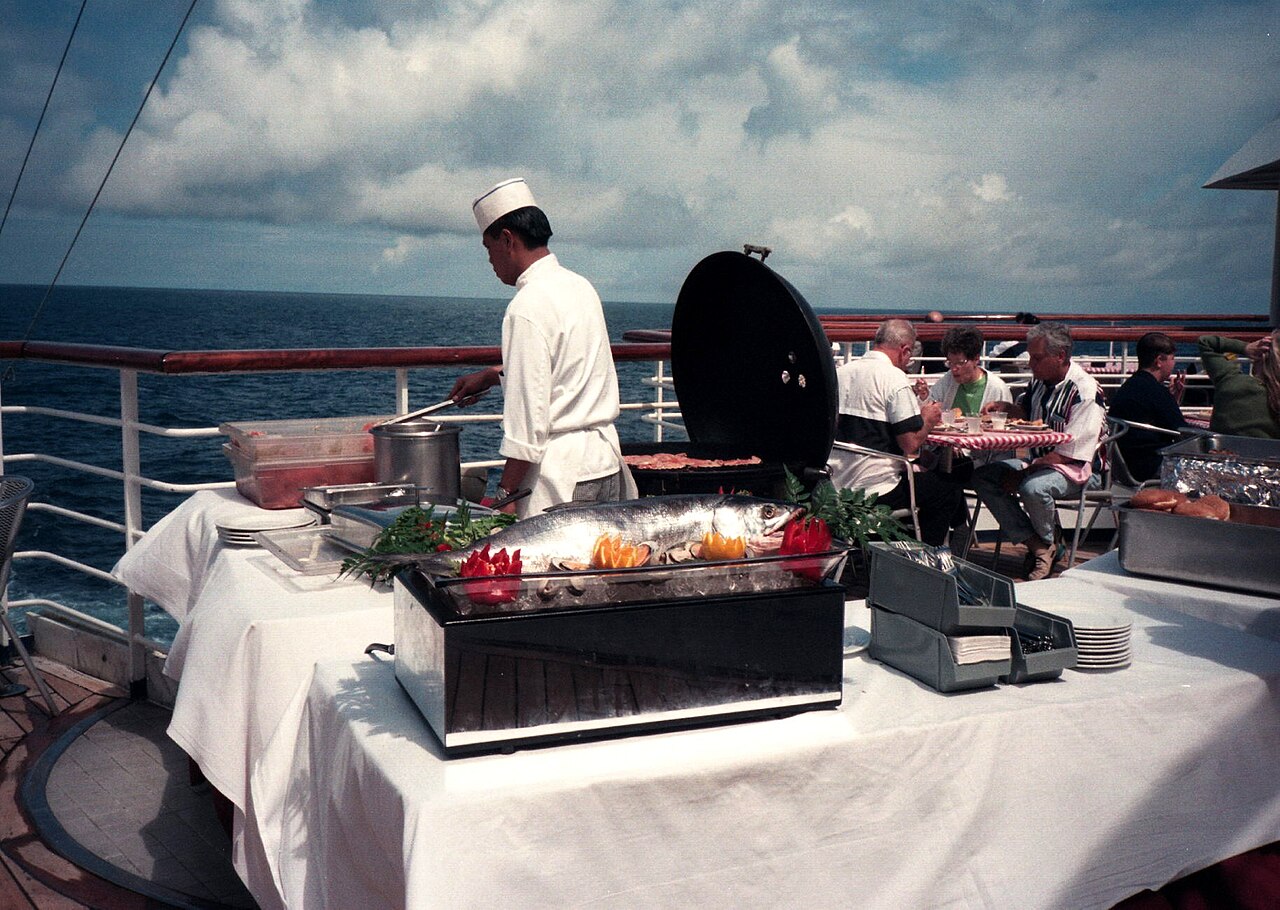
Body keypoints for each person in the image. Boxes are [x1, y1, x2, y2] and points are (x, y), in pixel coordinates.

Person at [449, 178, 635, 517]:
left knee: (558, 570)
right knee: (605, 566)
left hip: (562, 478)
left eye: (488, 249)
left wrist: (505, 497)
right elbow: (565, 373)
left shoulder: (526, 307)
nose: (490, 261)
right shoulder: (580, 286)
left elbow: (527, 424)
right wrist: (493, 377)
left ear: (507, 240)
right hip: (605, 464)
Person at [972, 322, 1106, 580]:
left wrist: (1023, 473)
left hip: (1080, 469)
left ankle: (1045, 546)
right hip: (1041, 461)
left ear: (1060, 356)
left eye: (1037, 358)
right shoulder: (1040, 382)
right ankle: (1041, 545)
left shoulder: (1084, 391)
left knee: (1033, 488)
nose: (1031, 364)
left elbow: (1072, 452)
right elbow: (1027, 414)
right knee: (983, 477)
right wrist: (1005, 407)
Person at [827, 319, 967, 547]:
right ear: (905, 350)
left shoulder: (841, 374)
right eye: (909, 356)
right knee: (947, 491)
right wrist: (928, 420)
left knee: (929, 480)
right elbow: (910, 443)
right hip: (874, 489)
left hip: (834, 486)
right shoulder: (893, 379)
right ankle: (924, 558)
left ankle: (891, 544)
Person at [1107, 332, 1190, 481]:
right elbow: (1183, 433)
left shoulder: (1129, 386)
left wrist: (1173, 399)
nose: (1174, 363)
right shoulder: (1156, 392)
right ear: (1159, 361)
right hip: (1150, 467)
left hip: (1124, 466)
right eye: (1172, 358)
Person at [1197, 331, 1280, 439]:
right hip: (1265, 454)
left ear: (1259, 355)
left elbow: (1206, 342)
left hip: (1221, 452)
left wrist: (1245, 347)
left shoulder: (1229, 380)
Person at [925, 326, 1013, 416]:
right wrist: (924, 397)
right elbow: (929, 404)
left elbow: (1006, 422)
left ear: (976, 359)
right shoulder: (947, 381)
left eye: (960, 363)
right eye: (950, 362)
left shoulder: (998, 389)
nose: (954, 368)